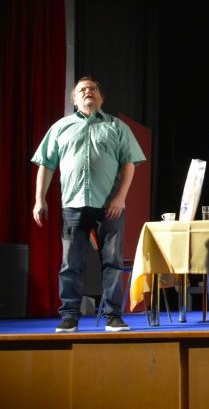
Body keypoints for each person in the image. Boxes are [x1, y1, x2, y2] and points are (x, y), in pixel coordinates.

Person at [32, 76, 146, 333]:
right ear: (74, 99)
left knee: (112, 262)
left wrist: (120, 198)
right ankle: (69, 316)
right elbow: (46, 165)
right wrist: (39, 199)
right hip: (73, 205)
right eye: (82, 90)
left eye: (93, 89)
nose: (88, 92)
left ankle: (113, 316)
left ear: (101, 98)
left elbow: (129, 163)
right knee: (70, 264)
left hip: (110, 207)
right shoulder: (60, 127)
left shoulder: (116, 127)